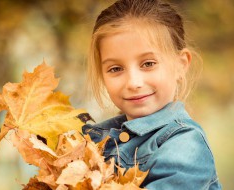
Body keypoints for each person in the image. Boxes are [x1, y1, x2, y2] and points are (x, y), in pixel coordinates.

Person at [82, 0, 222, 189]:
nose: (133, 83)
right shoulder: (92, 138)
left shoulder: (185, 146)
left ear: (181, 65)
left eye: (148, 64)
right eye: (115, 68)